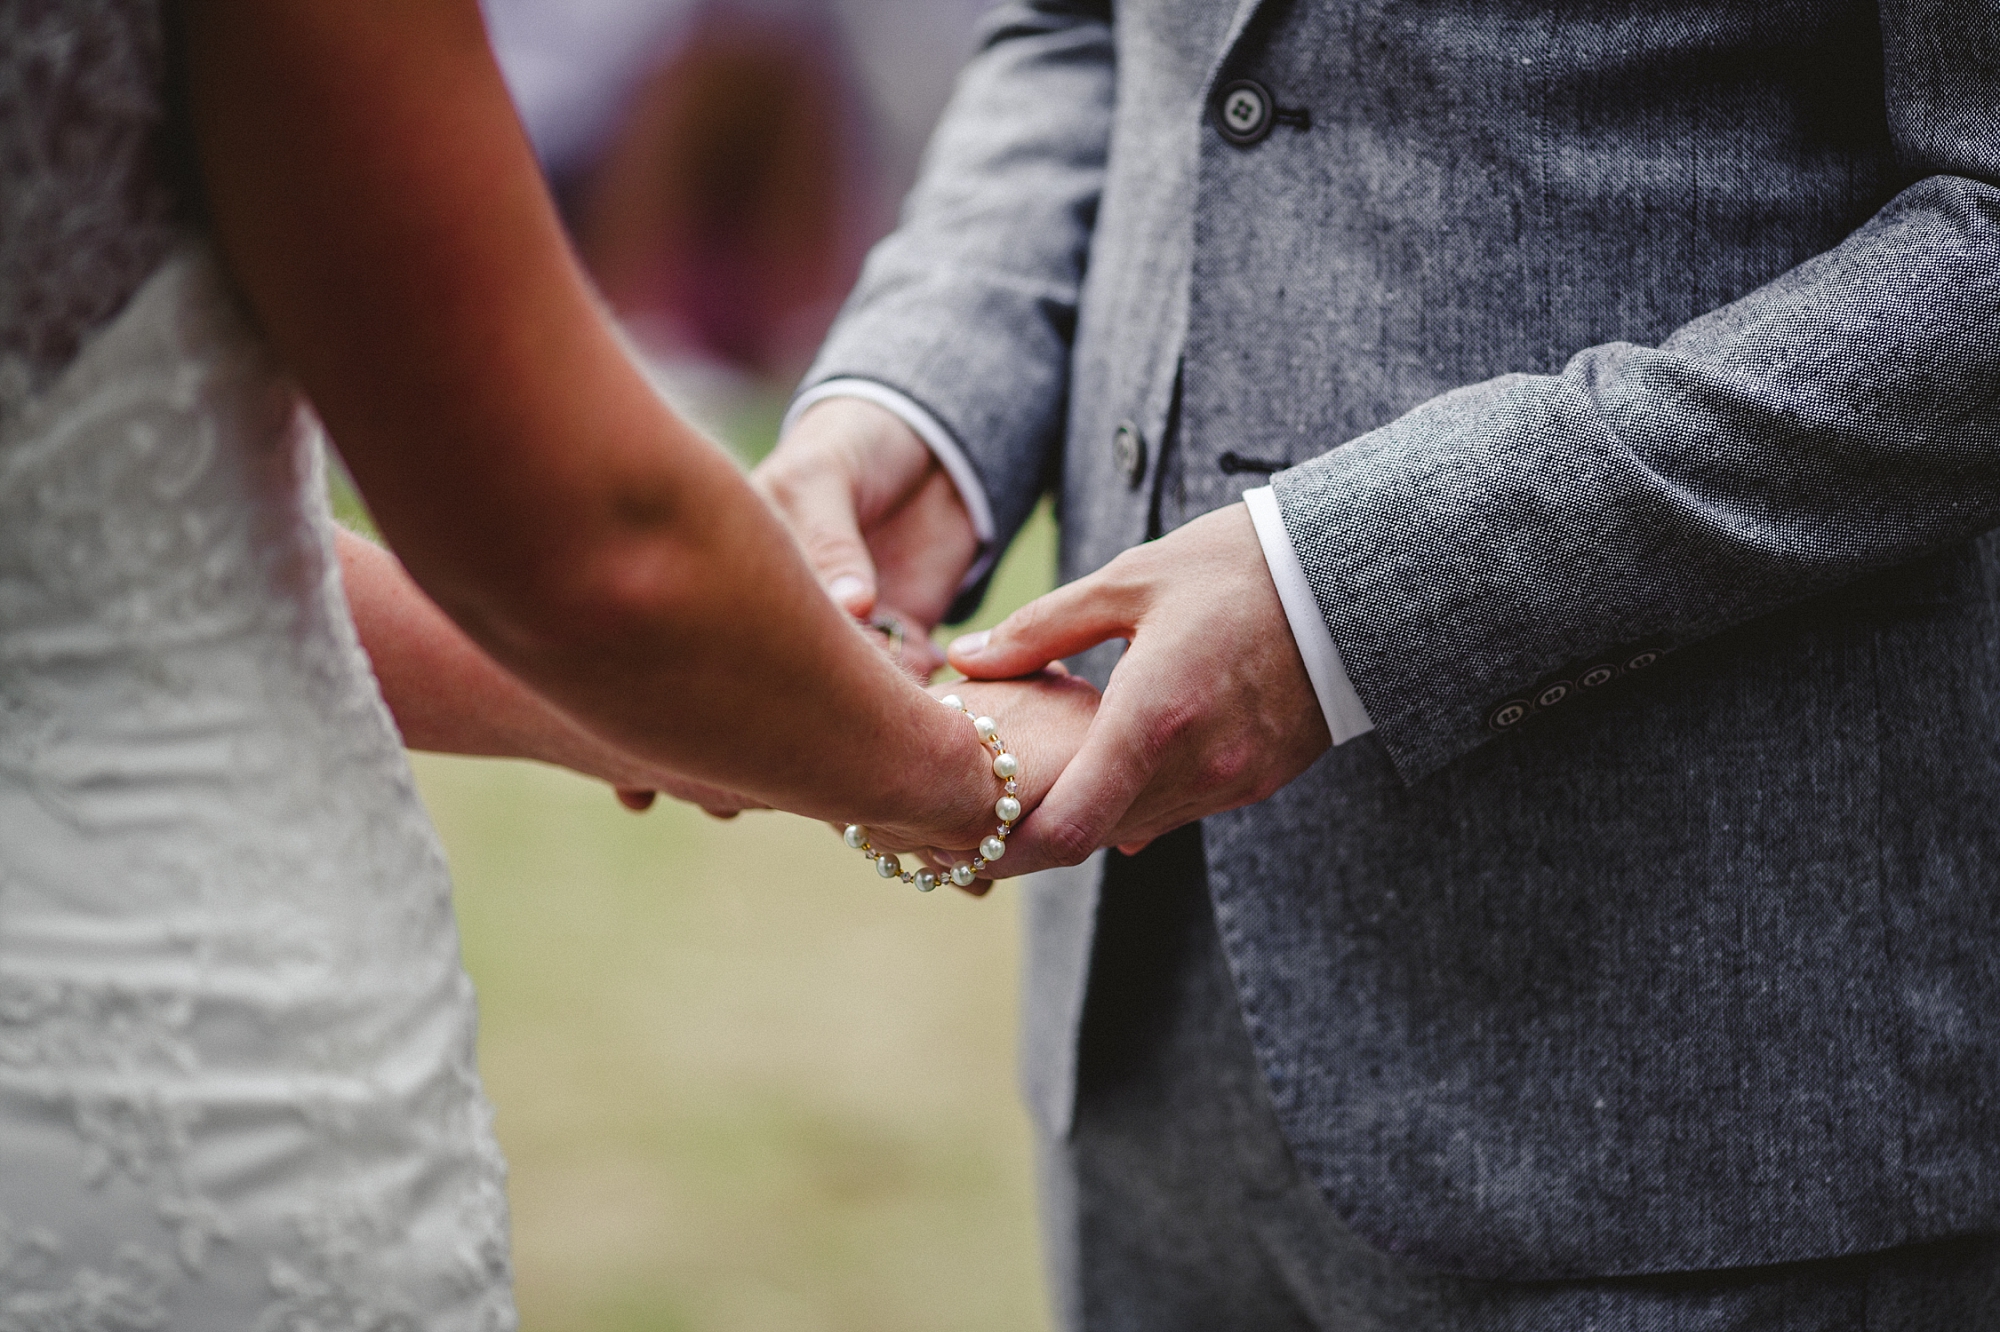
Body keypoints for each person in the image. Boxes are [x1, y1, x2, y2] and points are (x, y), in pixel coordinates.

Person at [755, 0, 2000, 1325]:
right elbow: (1077, 33)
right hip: (1147, 1037)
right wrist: (923, 398)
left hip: (1697, 1073)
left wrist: (1346, 591)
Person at [0, 0, 1092, 1324]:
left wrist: (642, 717)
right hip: (174, 1068)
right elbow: (589, 544)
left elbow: (143, 559)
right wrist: (949, 762)